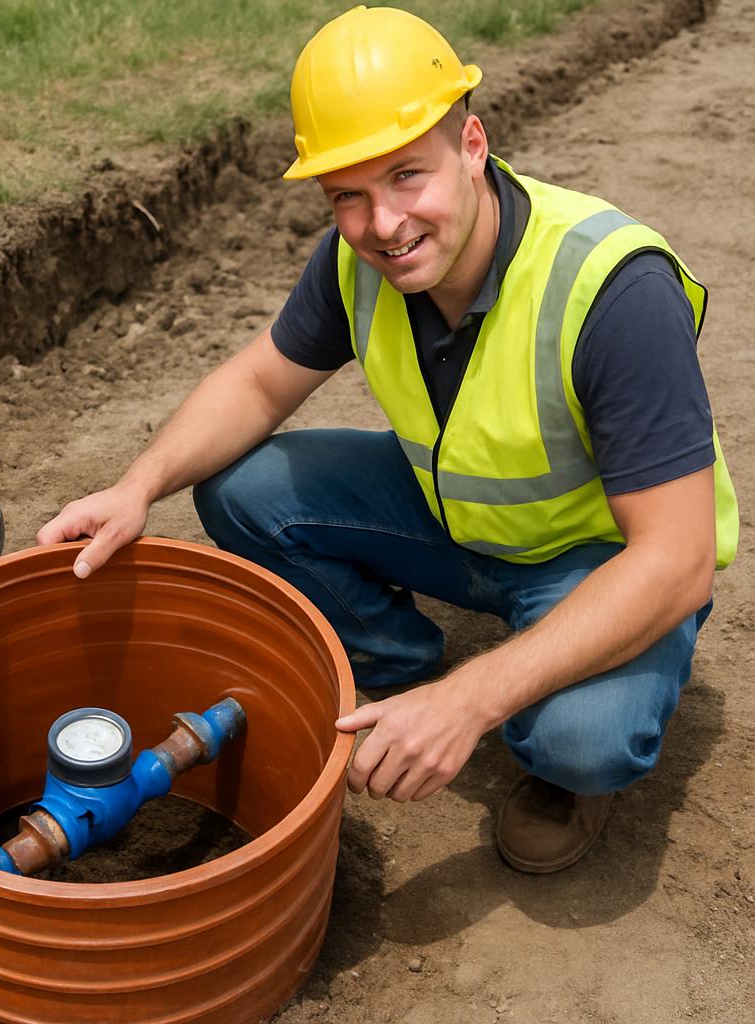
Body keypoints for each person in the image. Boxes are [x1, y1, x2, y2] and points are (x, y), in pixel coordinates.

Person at [38, 6, 738, 873]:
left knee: (581, 741)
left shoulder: (611, 290)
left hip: (597, 560)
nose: (383, 224)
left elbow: (676, 560)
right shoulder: (356, 260)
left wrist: (472, 703)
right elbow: (257, 383)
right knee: (240, 486)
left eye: (408, 175)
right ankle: (399, 663)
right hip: (456, 515)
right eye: (349, 196)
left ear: (473, 144)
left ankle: (542, 754)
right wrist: (135, 487)